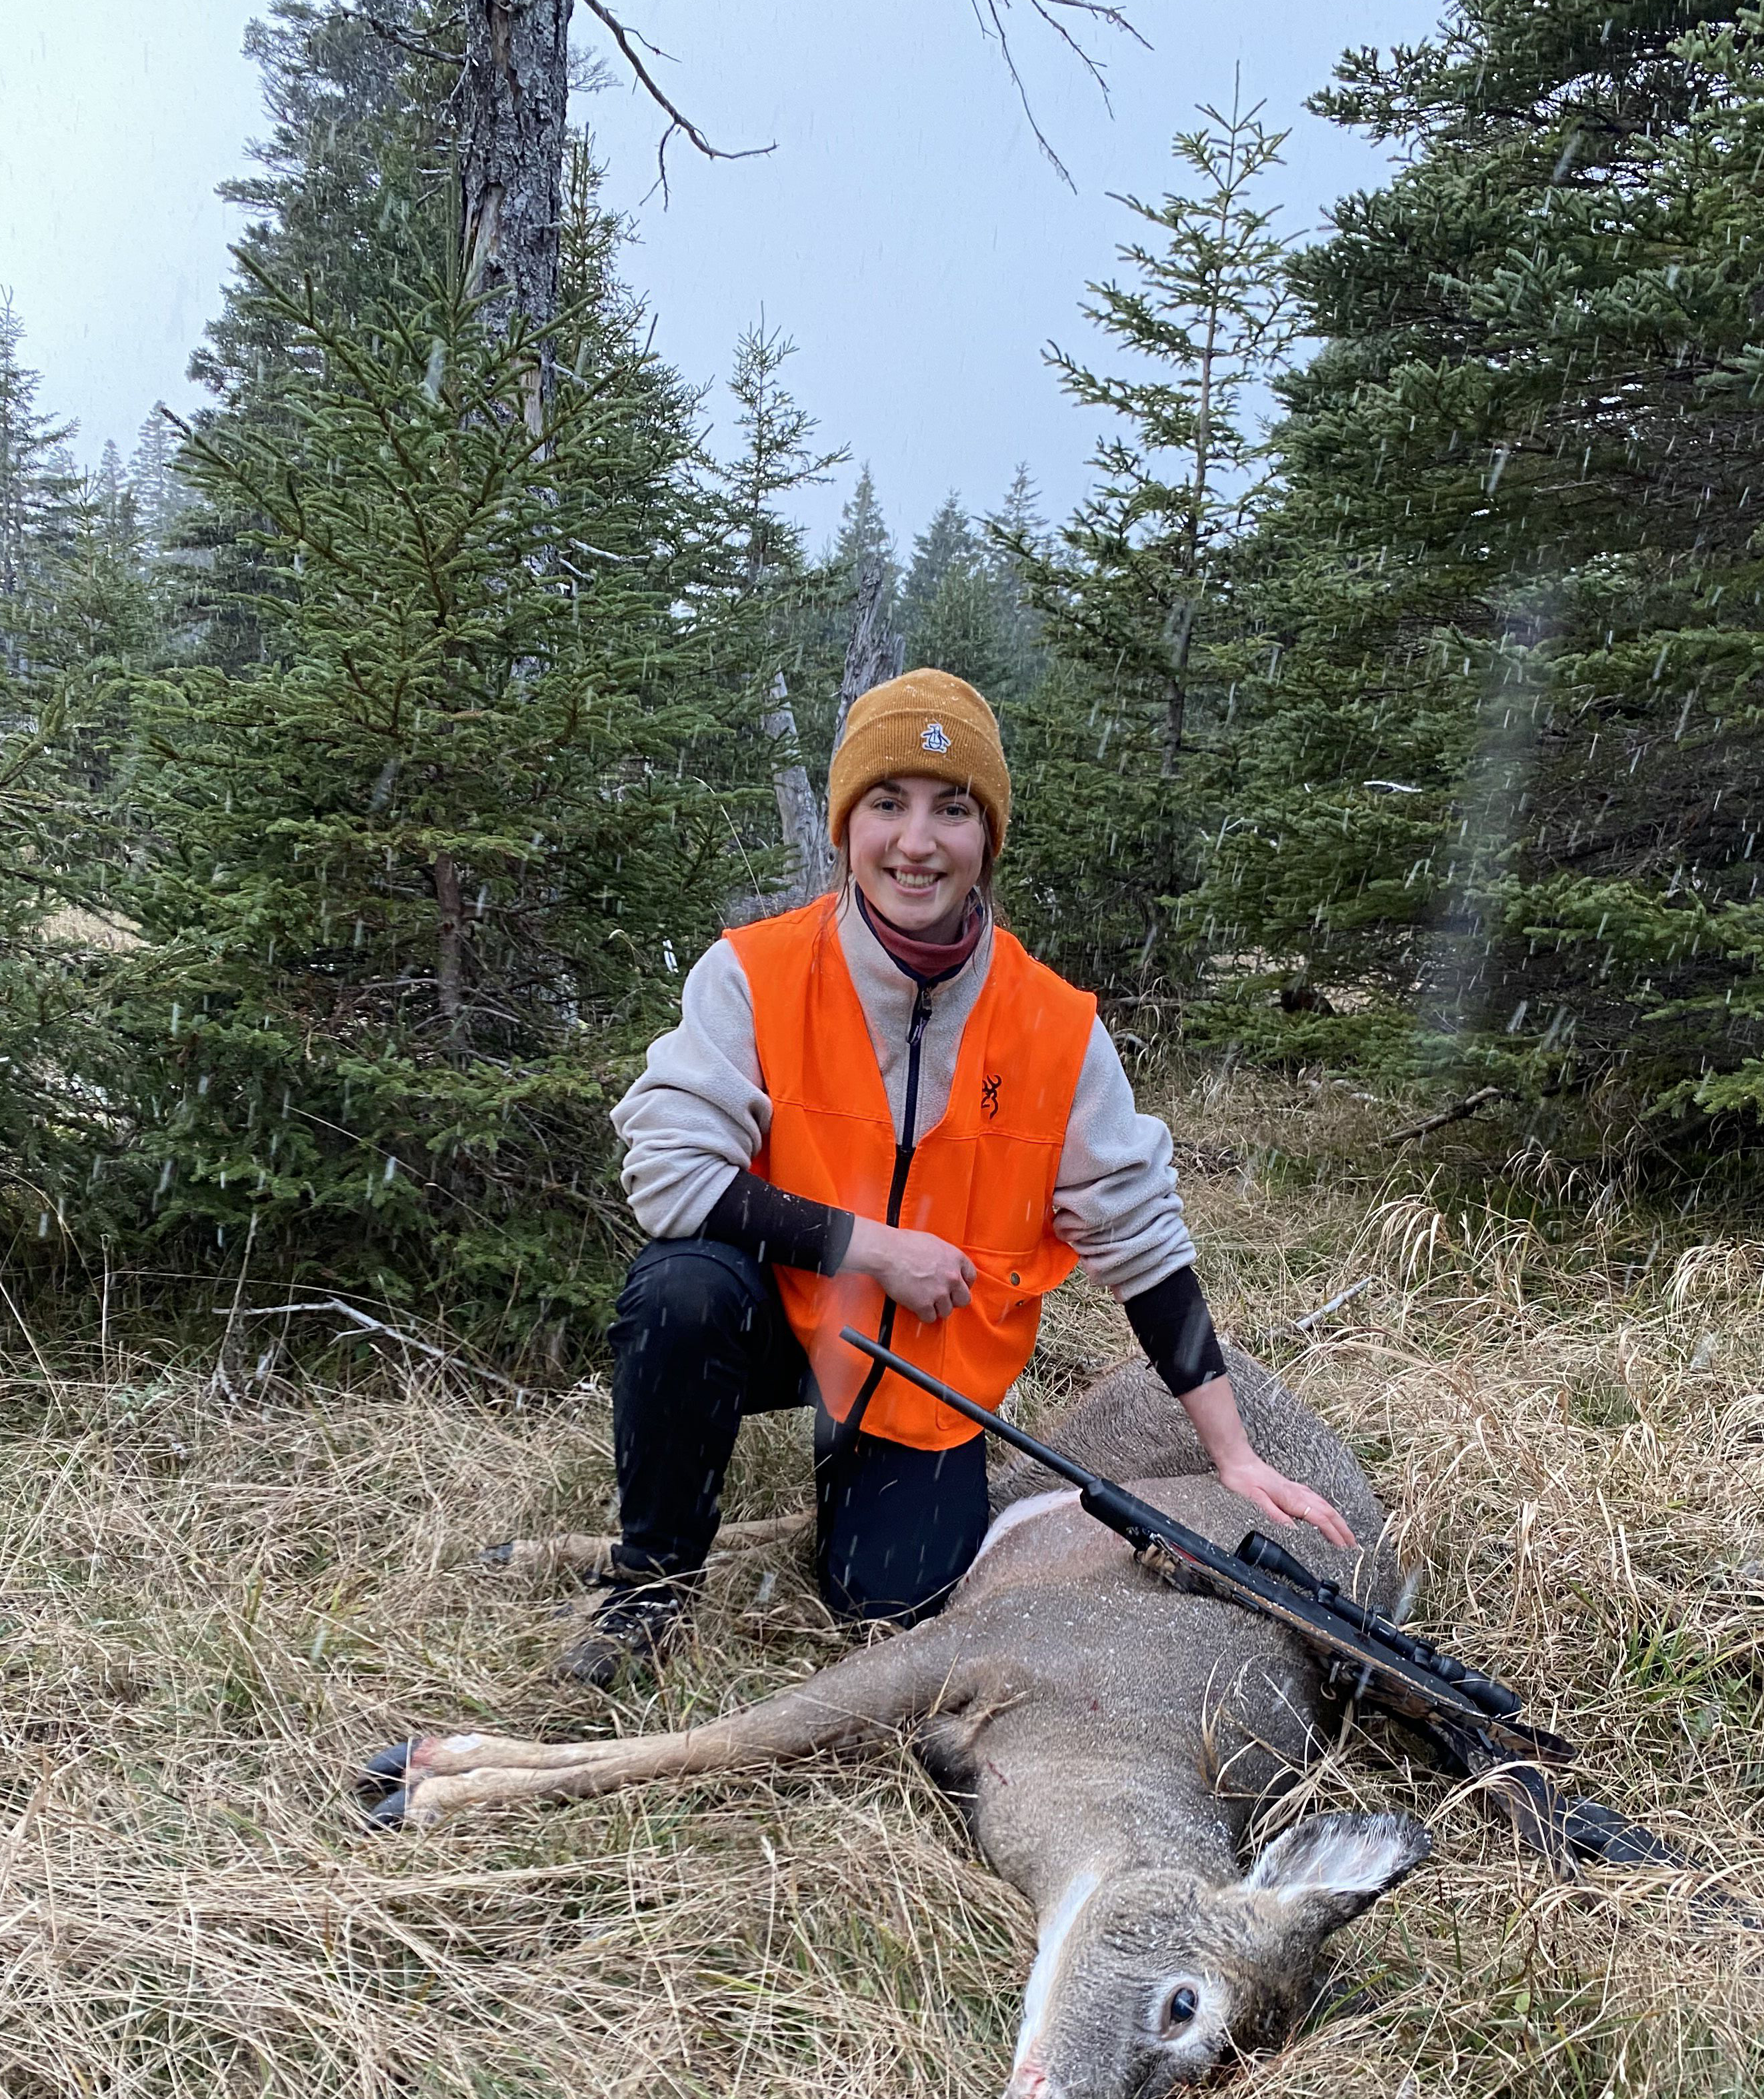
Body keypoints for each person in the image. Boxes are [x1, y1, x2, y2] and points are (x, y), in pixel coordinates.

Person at [567, 667, 1353, 1686]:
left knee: (887, 1604)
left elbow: (1143, 1246)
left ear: (987, 838)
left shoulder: (1054, 1026)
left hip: (919, 1371)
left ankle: (841, 1490)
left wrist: (1237, 1458)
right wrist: (868, 1248)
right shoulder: (754, 975)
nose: (916, 841)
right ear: (847, 826)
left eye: (953, 810)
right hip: (777, 1316)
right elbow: (669, 1179)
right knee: (679, 1290)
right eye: (886, 804)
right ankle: (650, 1588)